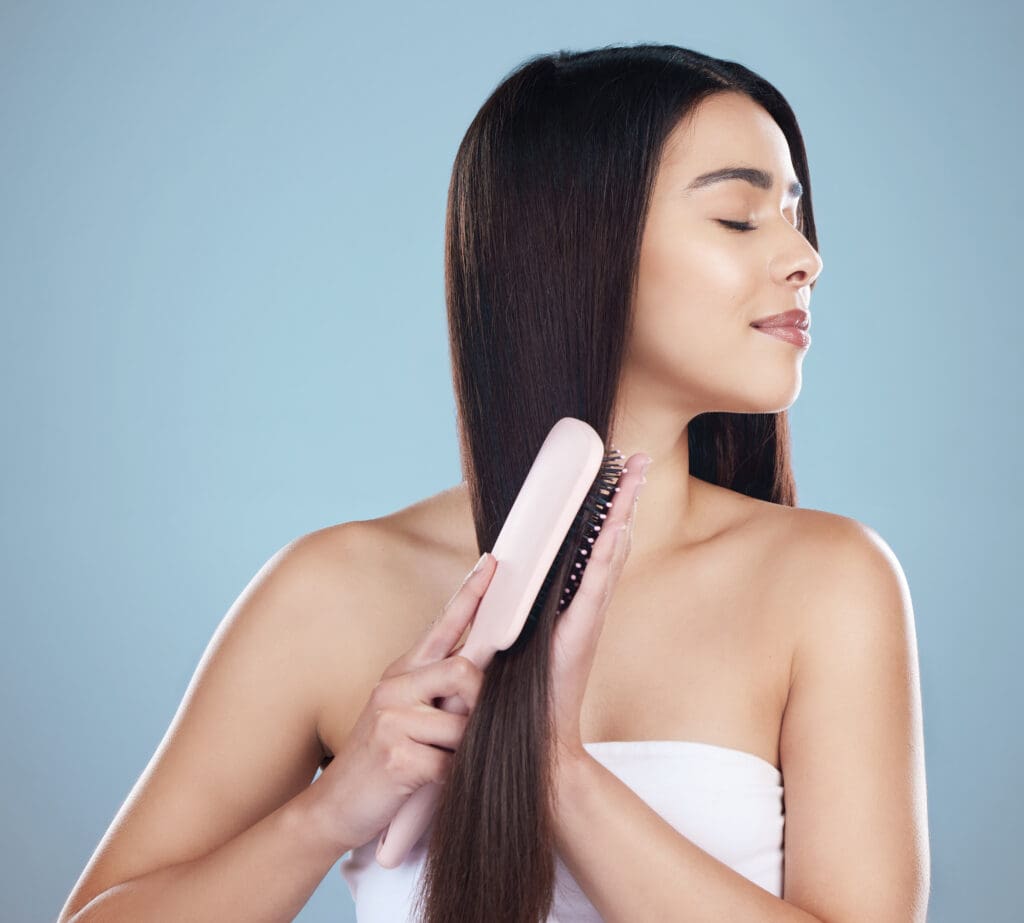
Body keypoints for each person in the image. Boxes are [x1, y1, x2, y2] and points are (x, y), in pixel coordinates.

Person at [58, 44, 930, 923]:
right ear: (577, 248)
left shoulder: (827, 584)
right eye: (740, 218)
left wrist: (559, 777)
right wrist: (328, 811)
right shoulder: (331, 592)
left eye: (794, 215)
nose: (806, 256)